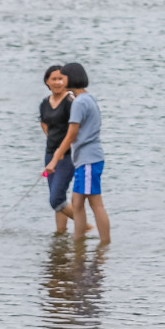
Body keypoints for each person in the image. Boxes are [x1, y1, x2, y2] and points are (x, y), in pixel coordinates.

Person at [43, 62, 109, 243]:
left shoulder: (79, 102)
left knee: (96, 204)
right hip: (85, 159)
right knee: (77, 203)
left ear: (71, 78)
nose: (60, 81)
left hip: (88, 159)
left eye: (62, 77)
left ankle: (104, 245)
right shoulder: (87, 98)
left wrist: (54, 159)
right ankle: (78, 243)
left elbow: (71, 134)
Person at [39, 64, 74, 234]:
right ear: (47, 81)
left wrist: (60, 151)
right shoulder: (45, 103)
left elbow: (74, 131)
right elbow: (44, 123)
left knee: (56, 199)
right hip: (49, 154)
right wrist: (52, 145)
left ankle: (87, 225)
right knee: (58, 197)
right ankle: (61, 233)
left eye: (61, 78)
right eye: (54, 79)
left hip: (67, 156)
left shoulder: (70, 102)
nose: (58, 82)